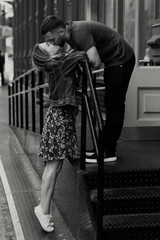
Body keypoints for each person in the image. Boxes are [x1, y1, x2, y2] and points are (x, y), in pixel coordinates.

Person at [40, 15, 136, 163]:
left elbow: (96, 62)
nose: (50, 43)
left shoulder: (78, 32)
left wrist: (75, 58)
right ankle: (102, 148)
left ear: (60, 31)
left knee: (114, 106)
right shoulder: (70, 35)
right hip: (114, 61)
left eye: (51, 40)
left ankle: (108, 151)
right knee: (111, 105)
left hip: (121, 59)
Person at [31, 42, 85, 232]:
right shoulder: (58, 63)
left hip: (62, 117)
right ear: (46, 54)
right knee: (53, 166)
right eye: (47, 44)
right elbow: (82, 55)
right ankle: (43, 209)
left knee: (56, 165)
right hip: (59, 118)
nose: (52, 43)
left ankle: (43, 209)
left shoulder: (57, 62)